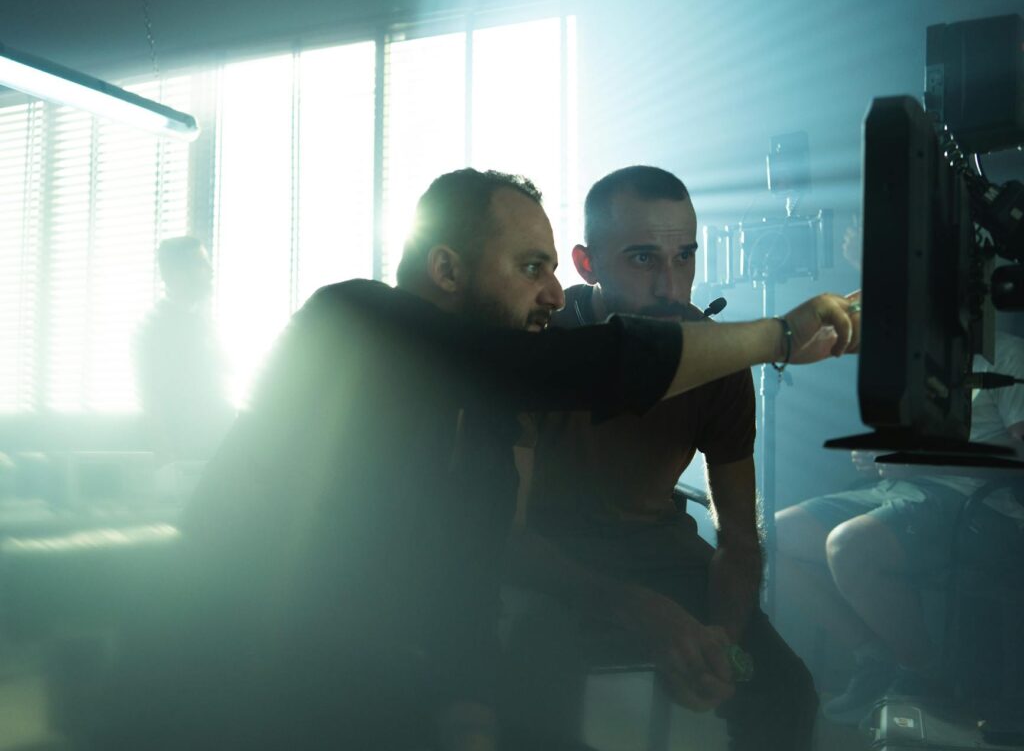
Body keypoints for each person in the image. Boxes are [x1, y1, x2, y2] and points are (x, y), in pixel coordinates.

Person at [98, 168, 860, 751]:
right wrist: (778, 338)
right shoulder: (355, 316)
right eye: (533, 268)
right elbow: (581, 371)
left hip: (350, 658)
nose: (555, 296)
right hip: (220, 659)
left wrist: (470, 712)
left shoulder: (486, 424)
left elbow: (467, 586)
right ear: (448, 271)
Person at [507, 166, 818, 751]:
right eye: (644, 259)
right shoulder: (543, 345)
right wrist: (636, 609)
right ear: (587, 264)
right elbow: (510, 536)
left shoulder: (717, 358)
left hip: (660, 547)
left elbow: (739, 539)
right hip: (552, 551)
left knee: (786, 691)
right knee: (531, 687)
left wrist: (724, 638)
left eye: (685, 258)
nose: (672, 288)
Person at [776, 320, 1024, 724]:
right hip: (905, 488)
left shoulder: (1009, 355)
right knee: (770, 536)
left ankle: (927, 676)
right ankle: (873, 656)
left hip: (977, 504)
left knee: (849, 546)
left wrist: (921, 458)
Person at [133, 236, 234, 463]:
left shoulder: (203, 323)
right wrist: (170, 465)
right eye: (201, 263)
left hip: (217, 452)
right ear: (178, 275)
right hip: (189, 460)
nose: (211, 270)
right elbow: (152, 404)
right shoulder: (156, 329)